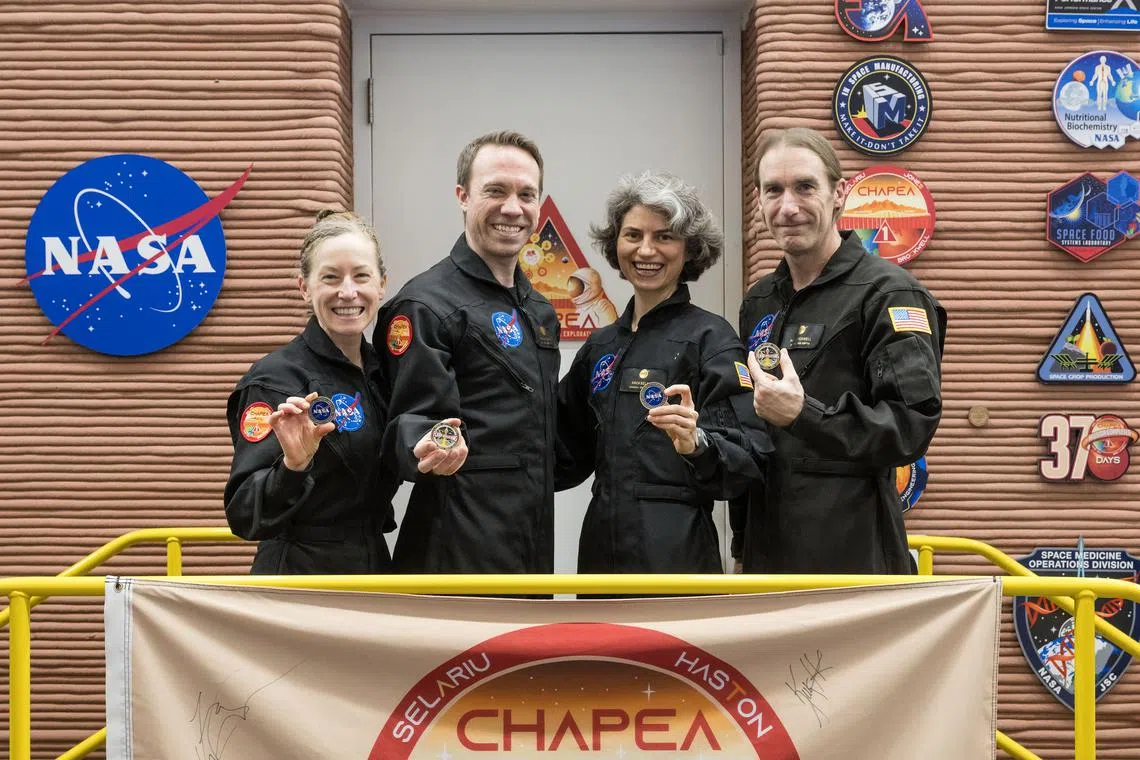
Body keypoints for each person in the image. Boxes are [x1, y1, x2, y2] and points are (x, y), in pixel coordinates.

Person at [735, 127, 946, 574]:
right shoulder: (758, 301)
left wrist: (803, 415)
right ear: (758, 200)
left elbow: (908, 428)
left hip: (852, 560)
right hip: (765, 558)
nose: (788, 207)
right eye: (774, 190)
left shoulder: (889, 294)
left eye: (805, 187)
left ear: (840, 193)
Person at [224, 210, 466, 574]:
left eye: (361, 276)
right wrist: (294, 464)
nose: (348, 292)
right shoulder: (275, 380)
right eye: (330, 278)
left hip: (373, 571)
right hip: (298, 581)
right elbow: (245, 516)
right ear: (304, 287)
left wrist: (431, 446)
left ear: (382, 284)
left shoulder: (385, 374)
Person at [556, 172, 771, 574]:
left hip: (677, 552)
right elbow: (560, 452)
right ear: (614, 244)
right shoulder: (600, 346)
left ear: (690, 249)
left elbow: (750, 460)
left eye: (665, 236)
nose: (646, 250)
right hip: (601, 552)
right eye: (633, 235)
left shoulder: (711, 339)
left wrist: (697, 442)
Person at [375, 130, 560, 574]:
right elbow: (407, 420)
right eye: (495, 190)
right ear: (463, 196)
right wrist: (425, 444)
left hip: (531, 541)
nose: (512, 208)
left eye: (526, 194)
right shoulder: (424, 305)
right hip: (454, 547)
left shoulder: (539, 309)